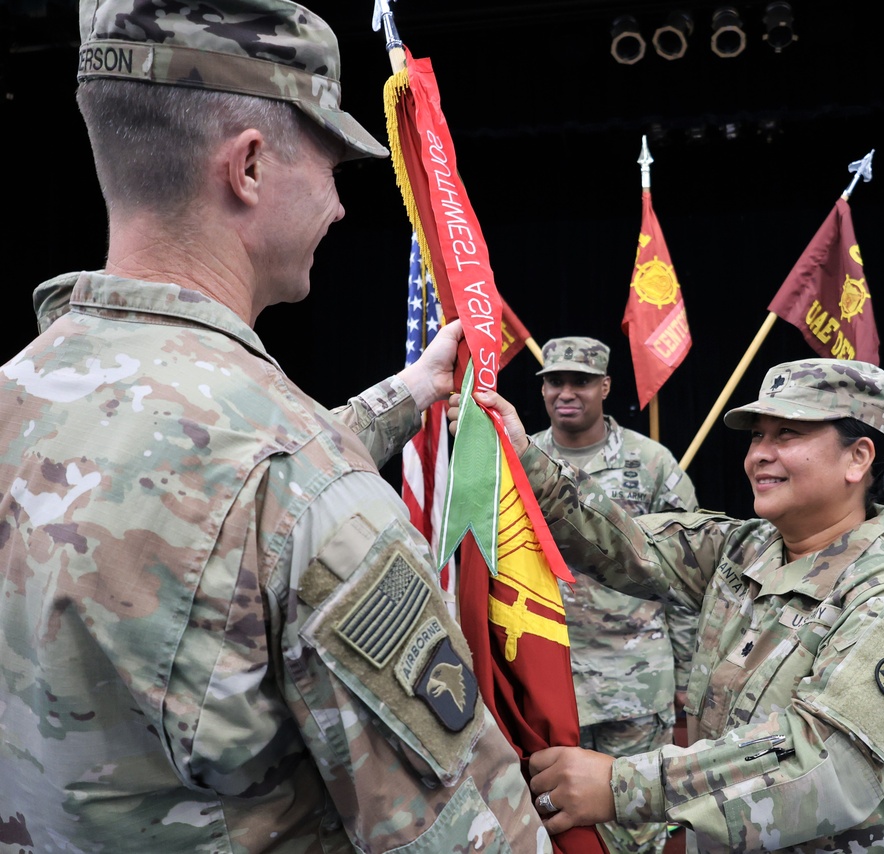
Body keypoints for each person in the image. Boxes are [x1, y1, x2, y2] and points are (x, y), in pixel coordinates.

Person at [0, 2, 551, 851]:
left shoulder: (21, 396)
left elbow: (201, 481)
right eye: (331, 164)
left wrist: (406, 394)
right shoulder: (298, 480)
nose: (338, 206)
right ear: (249, 166)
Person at [456, 358, 884, 853]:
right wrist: (521, 457)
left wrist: (623, 786)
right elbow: (624, 542)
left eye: (787, 434)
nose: (759, 454)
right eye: (757, 436)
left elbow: (821, 766)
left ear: (858, 457)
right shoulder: (744, 548)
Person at [531, 335, 699, 853]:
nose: (566, 392)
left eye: (580, 381)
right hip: (550, 673)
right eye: (554, 381)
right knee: (558, 822)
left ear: (604, 386)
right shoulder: (521, 459)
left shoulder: (651, 464)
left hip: (635, 681)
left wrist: (689, 681)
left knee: (637, 822)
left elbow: (688, 576)